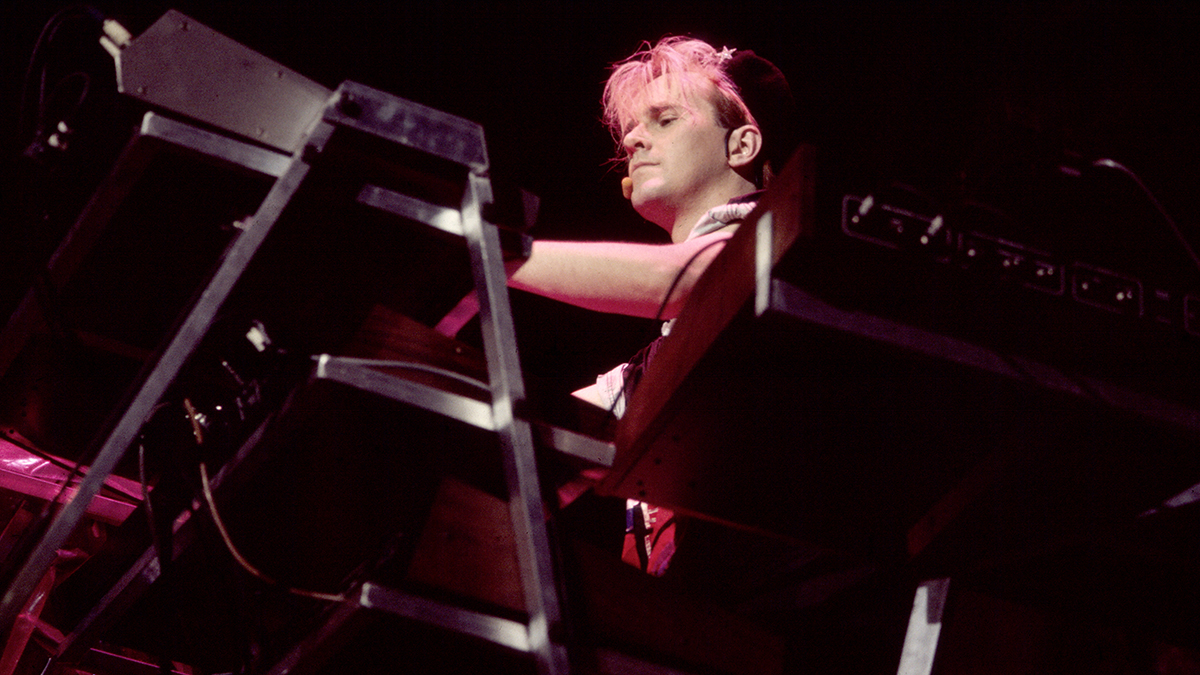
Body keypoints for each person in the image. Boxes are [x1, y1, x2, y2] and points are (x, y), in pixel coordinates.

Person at [507, 36, 799, 575]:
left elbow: (694, 281)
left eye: (663, 120)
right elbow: (523, 447)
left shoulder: (782, 251)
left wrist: (490, 251)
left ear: (741, 146)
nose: (635, 140)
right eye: (631, 130)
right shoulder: (644, 372)